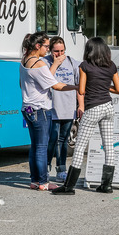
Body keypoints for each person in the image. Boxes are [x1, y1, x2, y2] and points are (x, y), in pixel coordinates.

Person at [53, 37, 119, 195]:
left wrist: (93, 85)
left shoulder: (84, 66)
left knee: (79, 148)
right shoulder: (111, 66)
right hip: (108, 107)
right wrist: (105, 87)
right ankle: (106, 185)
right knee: (109, 146)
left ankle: (69, 186)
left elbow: (82, 90)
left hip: (93, 108)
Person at [20, 32, 78, 191]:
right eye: (46, 46)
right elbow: (56, 85)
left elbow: (28, 83)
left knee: (34, 146)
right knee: (41, 147)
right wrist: (77, 87)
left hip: (28, 108)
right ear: (38, 46)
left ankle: (34, 180)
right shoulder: (38, 63)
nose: (47, 50)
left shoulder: (25, 60)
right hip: (40, 110)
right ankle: (44, 182)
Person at [44, 36, 83, 183]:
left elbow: (79, 86)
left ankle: (61, 169)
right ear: (50, 50)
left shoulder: (72, 62)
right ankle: (46, 167)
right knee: (51, 139)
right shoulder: (45, 62)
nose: (59, 54)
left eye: (62, 51)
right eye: (56, 51)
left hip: (68, 107)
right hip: (52, 107)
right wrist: (54, 63)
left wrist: (81, 105)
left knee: (63, 140)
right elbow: (46, 80)